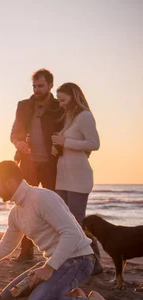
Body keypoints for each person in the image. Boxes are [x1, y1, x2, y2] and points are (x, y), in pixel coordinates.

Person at [0, 161, 115, 300]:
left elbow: (71, 234)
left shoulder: (42, 198)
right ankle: (67, 292)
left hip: (79, 260)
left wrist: (48, 268)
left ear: (9, 182)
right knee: (8, 295)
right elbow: (6, 246)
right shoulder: (16, 213)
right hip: (54, 262)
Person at [9, 68, 63, 263]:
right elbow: (14, 133)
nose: (37, 89)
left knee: (54, 207)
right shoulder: (23, 106)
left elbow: (65, 132)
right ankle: (25, 251)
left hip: (51, 164)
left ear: (50, 85)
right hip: (28, 164)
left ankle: (59, 251)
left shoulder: (59, 107)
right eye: (34, 86)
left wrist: (61, 148)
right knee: (25, 207)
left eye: (41, 86)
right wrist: (19, 143)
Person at [52, 82, 103, 274]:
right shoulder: (69, 118)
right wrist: (57, 148)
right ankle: (77, 260)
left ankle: (95, 262)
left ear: (74, 97)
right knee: (65, 220)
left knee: (77, 222)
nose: (61, 104)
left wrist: (66, 141)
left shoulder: (85, 116)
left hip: (79, 178)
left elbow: (94, 144)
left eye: (63, 100)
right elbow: (69, 146)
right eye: (59, 101)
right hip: (63, 178)